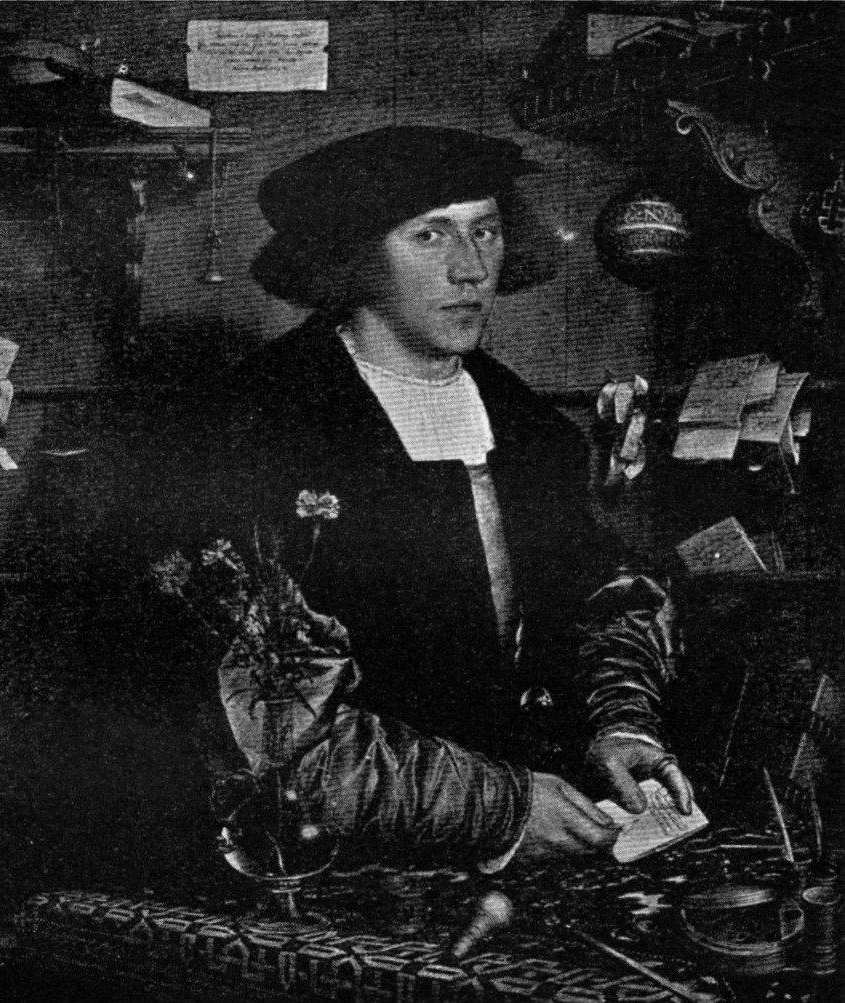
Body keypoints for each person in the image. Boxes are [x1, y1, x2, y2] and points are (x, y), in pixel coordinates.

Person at [165, 126, 692, 869]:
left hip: (537, 843)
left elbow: (596, 593)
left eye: (486, 231)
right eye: (430, 235)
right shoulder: (254, 424)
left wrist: (620, 722)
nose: (470, 268)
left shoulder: (530, 427)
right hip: (326, 860)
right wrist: (501, 806)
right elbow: (268, 720)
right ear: (353, 254)